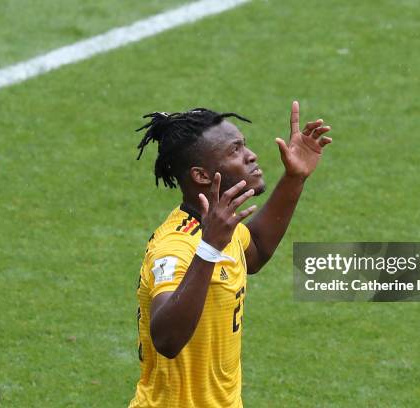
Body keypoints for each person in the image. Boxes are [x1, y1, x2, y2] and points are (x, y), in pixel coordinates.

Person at [128, 101, 332, 407]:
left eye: (244, 146)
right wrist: (209, 249)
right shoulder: (177, 246)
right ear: (201, 175)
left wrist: (294, 178)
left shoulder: (222, 223)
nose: (251, 156)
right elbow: (167, 339)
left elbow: (257, 251)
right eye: (234, 150)